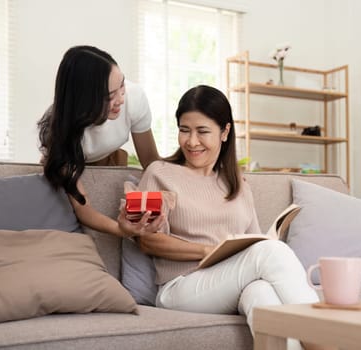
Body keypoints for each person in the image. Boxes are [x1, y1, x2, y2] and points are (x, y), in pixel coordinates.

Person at [135, 85, 327, 350]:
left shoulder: (238, 185)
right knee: (271, 253)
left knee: (261, 294)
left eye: (202, 131)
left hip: (228, 285)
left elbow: (256, 241)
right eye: (184, 130)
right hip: (180, 288)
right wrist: (209, 250)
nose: (192, 141)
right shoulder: (160, 173)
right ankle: (328, 342)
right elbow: (147, 242)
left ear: (224, 132)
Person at [37, 45, 162, 237]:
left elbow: (151, 162)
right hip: (71, 164)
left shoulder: (134, 97)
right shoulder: (59, 132)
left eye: (121, 85)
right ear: (84, 101)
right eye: (110, 96)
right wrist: (123, 230)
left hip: (110, 156)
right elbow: (83, 209)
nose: (121, 99)